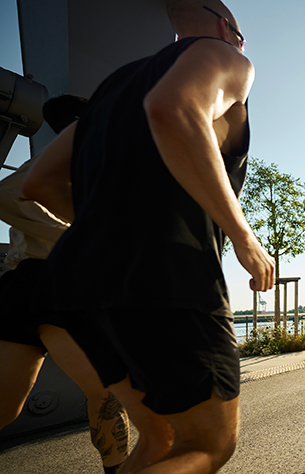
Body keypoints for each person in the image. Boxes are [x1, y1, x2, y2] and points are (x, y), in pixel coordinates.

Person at [22, 1, 275, 472]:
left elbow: (39, 183)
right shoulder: (229, 58)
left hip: (75, 280)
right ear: (227, 28)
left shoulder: (116, 86)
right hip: (167, 270)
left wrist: (109, 227)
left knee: (161, 438)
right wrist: (245, 237)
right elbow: (173, 108)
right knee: (208, 445)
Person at [0, 95, 130, 474]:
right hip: (58, 282)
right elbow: (7, 194)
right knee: (105, 392)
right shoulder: (72, 159)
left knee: (5, 410)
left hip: (26, 283)